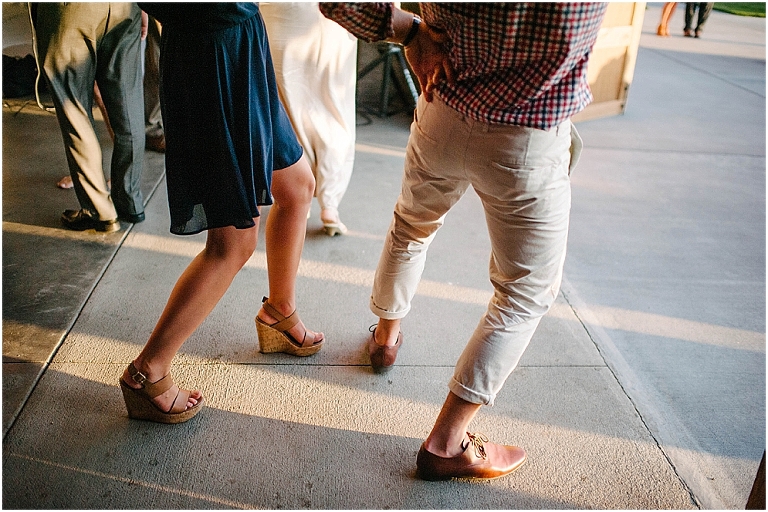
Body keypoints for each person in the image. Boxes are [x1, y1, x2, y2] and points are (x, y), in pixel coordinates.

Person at [321, 2, 606, 481]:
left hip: (444, 104)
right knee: (524, 292)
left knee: (411, 226)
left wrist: (410, 31)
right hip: (528, 135)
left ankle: (386, 338)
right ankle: (447, 442)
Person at [119, 3, 324, 424]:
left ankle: (279, 312)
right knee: (231, 245)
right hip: (211, 56)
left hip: (241, 44)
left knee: (297, 185)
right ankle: (147, 371)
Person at [36, 3, 146, 232]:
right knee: (128, 103)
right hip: (124, 6)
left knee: (74, 108)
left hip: (70, 9)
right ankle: (130, 202)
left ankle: (100, 211)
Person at [260, 2, 357, 237]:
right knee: (334, 107)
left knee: (288, 103)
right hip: (336, 14)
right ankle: (330, 205)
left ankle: (294, 193)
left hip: (281, 12)